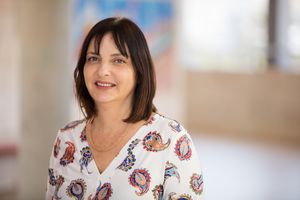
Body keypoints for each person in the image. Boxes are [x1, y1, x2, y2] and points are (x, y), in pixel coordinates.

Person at [46, 17, 204, 200]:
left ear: (139, 71)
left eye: (118, 60)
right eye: (93, 58)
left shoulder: (173, 140)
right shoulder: (66, 139)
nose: (103, 70)